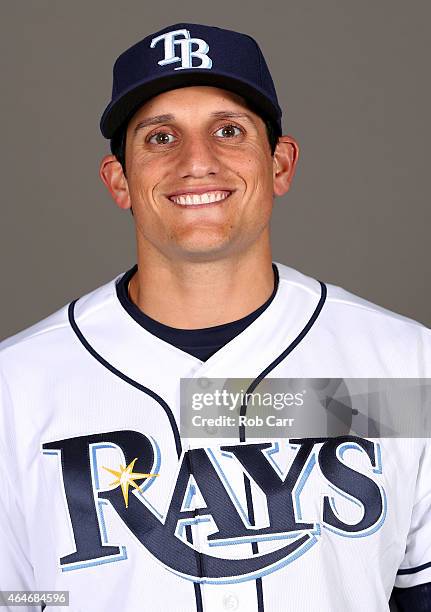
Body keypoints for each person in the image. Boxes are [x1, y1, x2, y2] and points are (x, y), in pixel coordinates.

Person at [0, 22, 430, 612]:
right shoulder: (16, 387)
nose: (197, 161)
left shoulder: (405, 367)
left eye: (228, 131)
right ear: (118, 180)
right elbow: (20, 600)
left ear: (280, 165)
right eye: (159, 138)